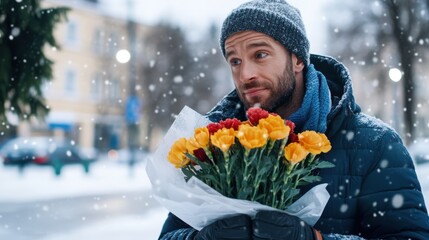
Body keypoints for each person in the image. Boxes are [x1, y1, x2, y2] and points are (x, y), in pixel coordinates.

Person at [158, 0, 429, 239]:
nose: (245, 74)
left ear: (297, 59)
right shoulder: (212, 146)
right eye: (235, 61)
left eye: (260, 55)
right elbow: (169, 235)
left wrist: (316, 239)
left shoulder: (374, 144)